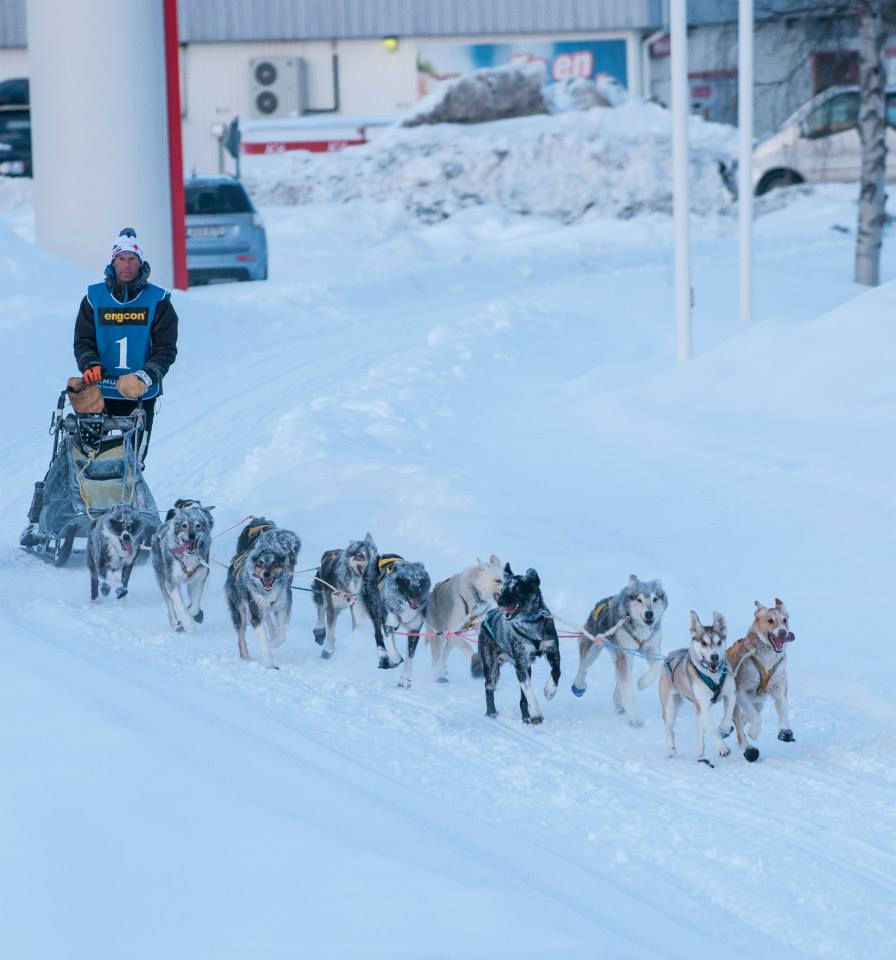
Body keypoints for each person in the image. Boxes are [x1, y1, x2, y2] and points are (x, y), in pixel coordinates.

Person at [73, 228, 178, 462]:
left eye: (132, 259)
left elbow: (165, 349)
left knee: (133, 462)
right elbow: (83, 340)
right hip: (101, 389)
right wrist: (89, 363)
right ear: (113, 261)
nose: (127, 265)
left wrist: (147, 375)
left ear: (140, 263)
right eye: (121, 259)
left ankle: (128, 494)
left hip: (139, 393)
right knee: (88, 458)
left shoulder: (158, 300)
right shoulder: (94, 297)